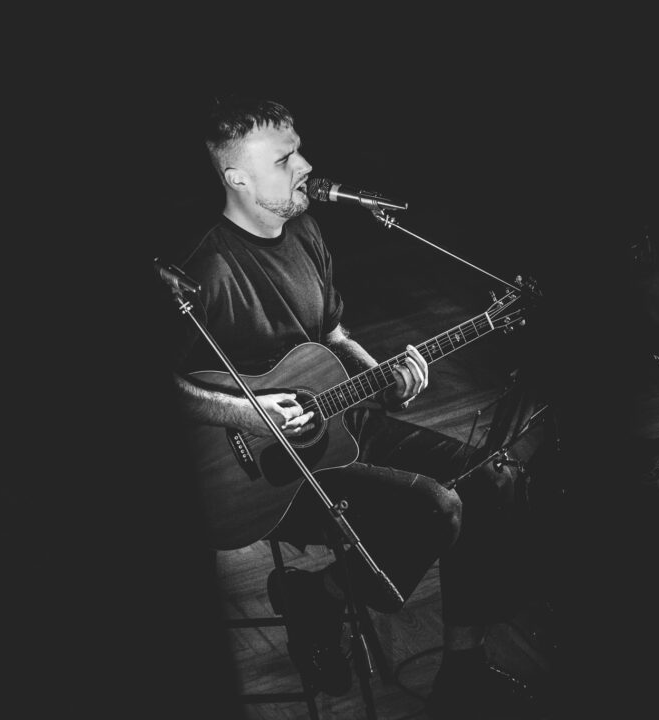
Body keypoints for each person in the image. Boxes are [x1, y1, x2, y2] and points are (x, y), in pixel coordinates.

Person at [162, 96, 543, 718]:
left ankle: (463, 668)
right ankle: (319, 595)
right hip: (265, 473)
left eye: (299, 150)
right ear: (238, 178)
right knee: (435, 508)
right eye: (285, 159)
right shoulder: (202, 269)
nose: (306, 166)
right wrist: (247, 414)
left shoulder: (306, 231)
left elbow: (333, 335)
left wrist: (381, 376)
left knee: (494, 481)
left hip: (344, 423)